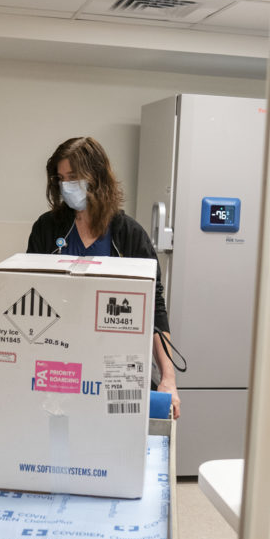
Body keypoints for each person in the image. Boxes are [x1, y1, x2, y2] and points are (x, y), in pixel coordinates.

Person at [26, 136, 181, 419]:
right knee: (56, 436)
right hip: (59, 362)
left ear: (97, 178)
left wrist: (168, 377)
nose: (66, 186)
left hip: (118, 365)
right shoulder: (47, 229)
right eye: (61, 179)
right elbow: (28, 298)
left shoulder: (129, 235)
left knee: (111, 439)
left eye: (74, 178)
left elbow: (154, 311)